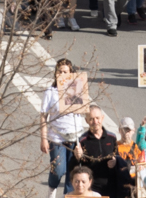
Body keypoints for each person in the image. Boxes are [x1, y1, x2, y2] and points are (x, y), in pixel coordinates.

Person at [40, 59, 89, 194]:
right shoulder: (50, 91)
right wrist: (43, 139)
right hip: (57, 137)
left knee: (72, 173)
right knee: (58, 170)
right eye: (60, 72)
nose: (62, 74)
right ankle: (51, 191)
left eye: (65, 72)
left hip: (75, 137)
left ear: (71, 73)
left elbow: (83, 114)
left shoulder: (76, 89)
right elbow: (43, 116)